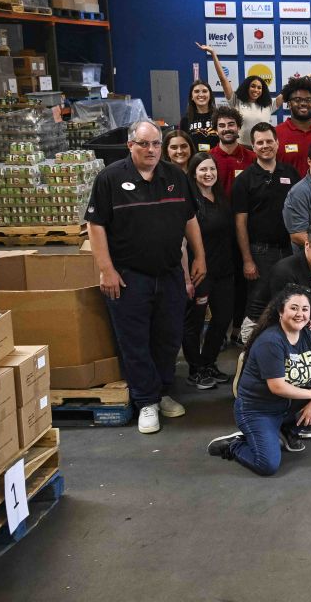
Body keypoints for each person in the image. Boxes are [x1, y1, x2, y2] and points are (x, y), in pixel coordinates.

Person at [85, 120, 205, 435]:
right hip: (127, 277)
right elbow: (95, 226)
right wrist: (106, 269)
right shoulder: (110, 179)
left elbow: (190, 219)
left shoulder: (175, 177)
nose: (151, 150)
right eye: (144, 144)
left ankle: (162, 391)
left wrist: (199, 256)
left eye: (155, 144)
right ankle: (146, 402)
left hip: (169, 275)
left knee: (168, 338)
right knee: (134, 341)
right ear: (130, 146)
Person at [206, 286, 311, 475]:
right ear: (280, 311)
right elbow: (277, 386)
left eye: (305, 309)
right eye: (293, 308)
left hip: (287, 405)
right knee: (267, 465)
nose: (300, 314)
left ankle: (286, 429)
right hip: (258, 410)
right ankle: (234, 445)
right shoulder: (271, 341)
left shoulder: (308, 335)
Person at [240, 222, 311, 368]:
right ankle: (248, 364)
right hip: (266, 326)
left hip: (306, 326)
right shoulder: (285, 271)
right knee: (288, 378)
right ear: (307, 245)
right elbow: (290, 324)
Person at [232, 122, 300, 324]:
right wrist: (247, 260)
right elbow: (240, 223)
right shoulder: (244, 180)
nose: (265, 145)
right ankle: (251, 349)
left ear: (278, 143)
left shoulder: (290, 173)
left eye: (269, 141)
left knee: (289, 299)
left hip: (290, 249)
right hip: (260, 253)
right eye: (260, 142)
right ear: (253, 147)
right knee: (258, 303)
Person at [181, 153, 236, 389]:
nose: (208, 174)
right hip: (200, 273)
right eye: (203, 169)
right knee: (194, 322)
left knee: (222, 319)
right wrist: (186, 278)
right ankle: (195, 369)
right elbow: (181, 243)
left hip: (224, 271)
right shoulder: (189, 202)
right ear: (194, 173)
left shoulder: (221, 198)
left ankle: (208, 362)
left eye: (212, 169)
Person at [199, 42, 284, 128]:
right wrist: (213, 54)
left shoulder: (269, 105)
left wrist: (296, 82)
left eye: (259, 88)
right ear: (247, 87)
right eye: (253, 86)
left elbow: (288, 90)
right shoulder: (236, 101)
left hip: (261, 141)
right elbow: (223, 79)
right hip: (240, 142)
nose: (256, 90)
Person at [209, 106, 255, 197]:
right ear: (216, 131)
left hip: (246, 210)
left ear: (238, 128)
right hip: (218, 210)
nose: (227, 129)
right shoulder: (208, 158)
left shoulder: (253, 157)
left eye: (231, 124)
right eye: (221, 126)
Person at [179, 80, 216, 152]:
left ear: (210, 95)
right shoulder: (185, 120)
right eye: (196, 91)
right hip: (194, 160)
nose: (201, 94)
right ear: (192, 97)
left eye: (205, 91)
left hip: (216, 159)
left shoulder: (219, 117)